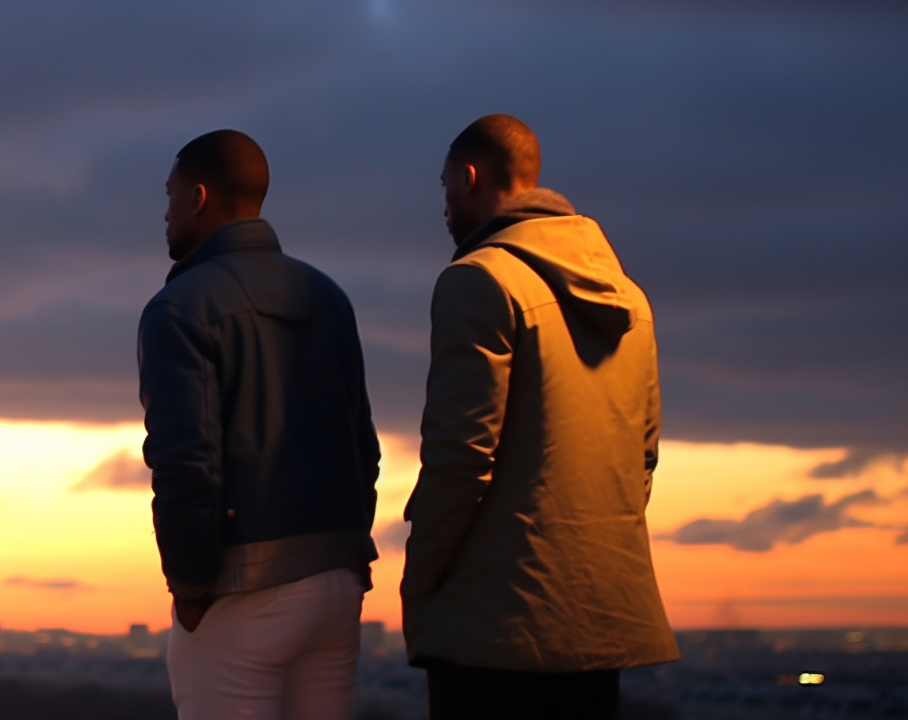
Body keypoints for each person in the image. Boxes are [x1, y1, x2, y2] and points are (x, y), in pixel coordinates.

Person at [401, 114, 680, 719]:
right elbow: (643, 456)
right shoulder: (628, 297)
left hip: (493, 626)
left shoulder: (477, 281)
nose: (444, 207)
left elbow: (460, 458)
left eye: (445, 187)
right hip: (595, 623)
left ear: (468, 178)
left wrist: (420, 578)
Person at [139, 129, 381, 720]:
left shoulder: (178, 308)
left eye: (169, 196)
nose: (163, 213)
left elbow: (186, 461)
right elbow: (364, 447)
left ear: (198, 197)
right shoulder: (330, 297)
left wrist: (192, 586)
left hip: (241, 588)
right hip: (334, 579)